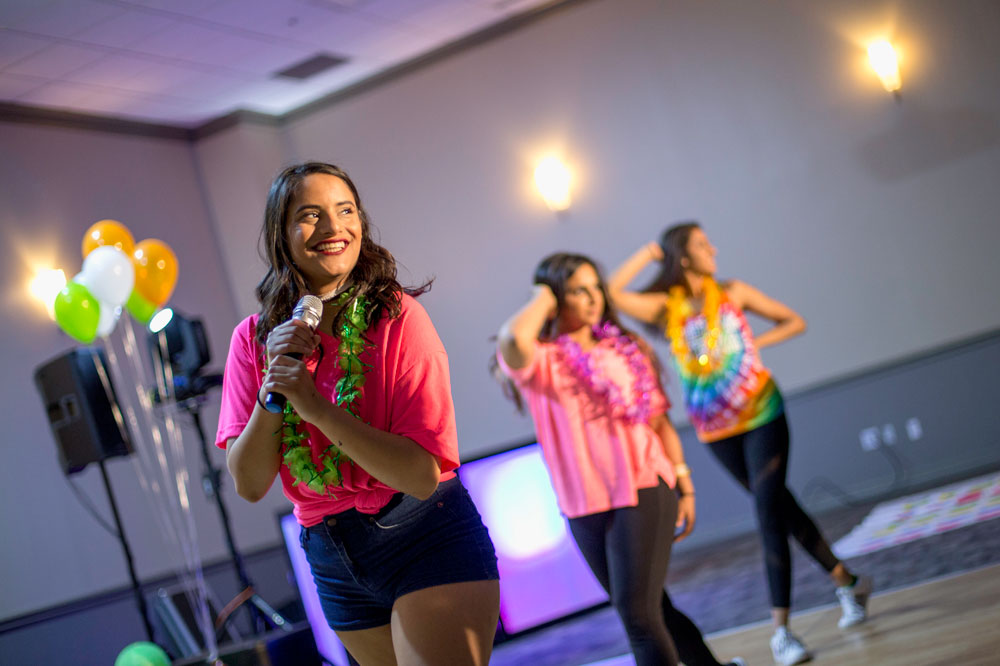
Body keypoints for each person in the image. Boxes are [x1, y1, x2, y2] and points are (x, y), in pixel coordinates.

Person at [216, 162, 499, 665]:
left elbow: (418, 474)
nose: (332, 228)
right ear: (281, 236)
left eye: (345, 211)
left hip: (419, 534)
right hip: (330, 554)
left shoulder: (396, 318)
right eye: (310, 215)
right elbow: (250, 484)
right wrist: (272, 388)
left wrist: (314, 406)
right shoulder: (252, 341)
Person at [609, 222, 872, 666]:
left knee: (767, 513)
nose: (713, 248)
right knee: (781, 507)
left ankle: (782, 633)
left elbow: (794, 320)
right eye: (701, 244)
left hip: (762, 413)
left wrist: (756, 342)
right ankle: (848, 582)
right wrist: (651, 251)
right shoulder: (666, 308)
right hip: (715, 429)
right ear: (684, 257)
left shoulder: (732, 291)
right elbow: (615, 292)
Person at [495, 252, 745, 666]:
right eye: (578, 290)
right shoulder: (543, 360)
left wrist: (685, 484)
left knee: (638, 617)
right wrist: (541, 295)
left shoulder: (626, 349)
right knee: (652, 608)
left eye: (596, 287)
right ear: (557, 298)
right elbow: (512, 340)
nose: (593, 298)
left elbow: (661, 424)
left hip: (644, 485)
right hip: (582, 502)